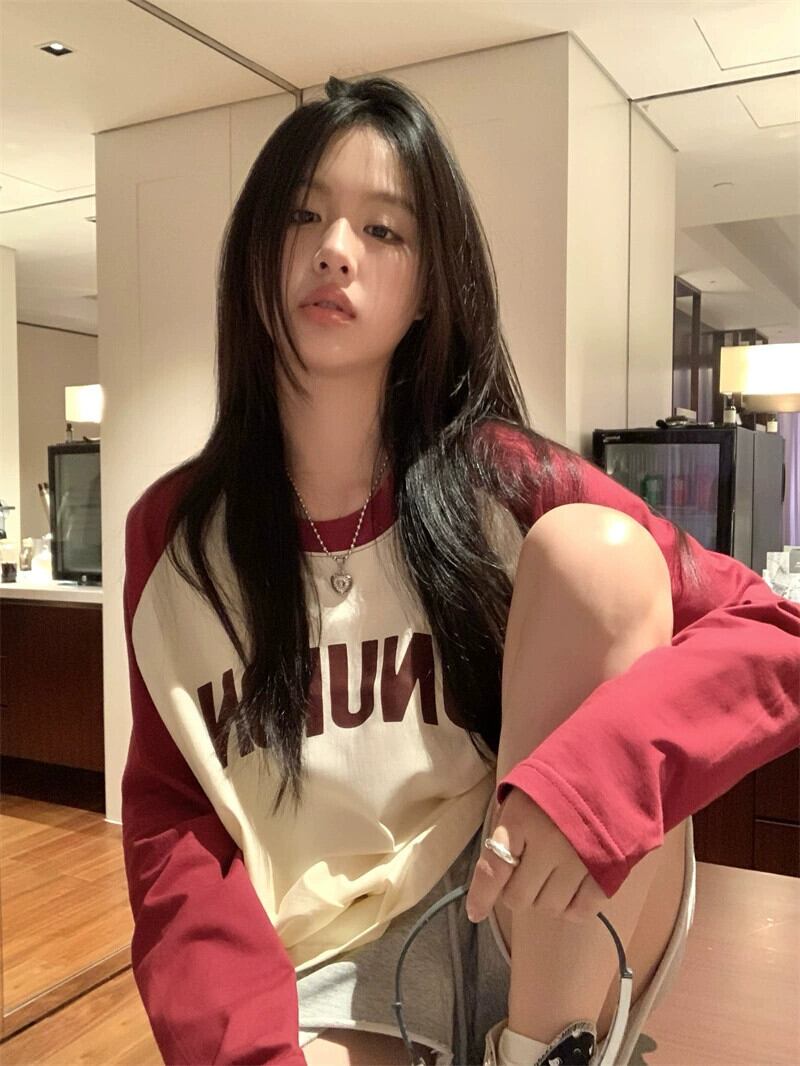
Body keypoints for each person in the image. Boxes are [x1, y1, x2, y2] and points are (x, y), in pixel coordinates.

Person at [120, 74, 800, 1066]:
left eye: (383, 229)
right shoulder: (176, 536)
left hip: (538, 911)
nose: (335, 248)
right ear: (253, 247)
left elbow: (772, 629)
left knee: (597, 558)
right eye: (303, 214)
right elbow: (174, 822)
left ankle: (543, 1051)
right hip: (332, 953)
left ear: (429, 285)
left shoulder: (502, 480)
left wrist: (596, 781)